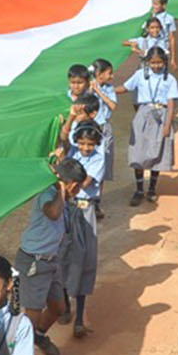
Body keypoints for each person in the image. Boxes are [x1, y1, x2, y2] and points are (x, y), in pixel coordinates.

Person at [15, 158, 83, 355]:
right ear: (70, 184)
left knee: (58, 308)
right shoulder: (48, 195)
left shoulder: (62, 198)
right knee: (31, 318)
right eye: (77, 187)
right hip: (34, 262)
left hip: (50, 262)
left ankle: (39, 336)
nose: (78, 192)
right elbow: (52, 213)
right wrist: (62, 189)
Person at [62, 124, 104, 338]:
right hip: (67, 209)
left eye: (90, 144)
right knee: (62, 257)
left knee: (84, 260)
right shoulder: (72, 152)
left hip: (84, 210)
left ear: (96, 144)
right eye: (82, 143)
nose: (86, 148)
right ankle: (64, 306)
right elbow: (63, 137)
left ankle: (79, 318)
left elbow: (80, 184)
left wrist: (64, 175)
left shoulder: (98, 159)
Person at [125, 47, 178, 204]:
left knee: (157, 152)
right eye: (153, 62)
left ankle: (152, 189)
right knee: (139, 152)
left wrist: (167, 126)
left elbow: (170, 104)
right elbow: (126, 87)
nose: (156, 66)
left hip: (161, 117)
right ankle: (139, 189)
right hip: (143, 115)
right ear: (147, 62)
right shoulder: (140, 75)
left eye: (159, 62)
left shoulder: (169, 79)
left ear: (164, 62)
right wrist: (105, 90)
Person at [88, 60, 119, 218]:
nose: (112, 76)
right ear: (99, 74)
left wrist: (99, 92)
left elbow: (112, 106)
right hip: (89, 129)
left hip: (104, 129)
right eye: (109, 73)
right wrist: (91, 90)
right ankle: (87, 200)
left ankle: (97, 202)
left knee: (102, 165)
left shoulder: (109, 89)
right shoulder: (87, 88)